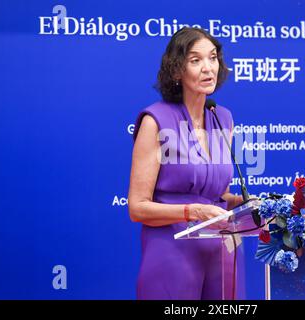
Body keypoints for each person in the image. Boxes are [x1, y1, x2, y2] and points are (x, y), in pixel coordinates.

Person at [127, 27, 244, 300]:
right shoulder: (155, 121)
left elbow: (215, 193)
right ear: (177, 70)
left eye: (213, 57)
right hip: (172, 251)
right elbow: (137, 207)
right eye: (196, 60)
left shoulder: (222, 118)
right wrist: (193, 211)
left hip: (221, 251)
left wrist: (240, 203)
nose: (208, 68)